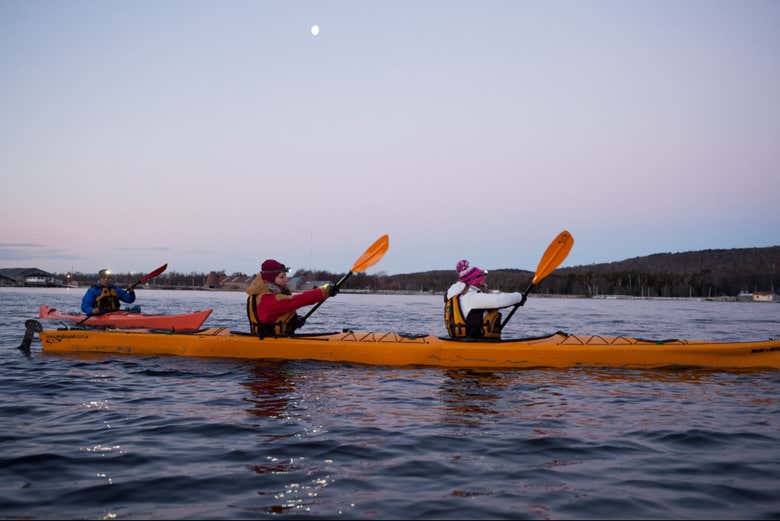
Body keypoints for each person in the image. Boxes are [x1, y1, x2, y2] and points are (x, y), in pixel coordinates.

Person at [246, 259, 338, 337]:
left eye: (285, 276)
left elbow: (271, 318)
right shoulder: (268, 299)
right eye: (281, 277)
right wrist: (325, 291)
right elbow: (298, 300)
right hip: (272, 343)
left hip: (275, 339)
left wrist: (293, 321)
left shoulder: (260, 296)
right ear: (270, 280)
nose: (286, 280)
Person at [444, 259, 525, 340]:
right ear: (475, 281)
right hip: (475, 342)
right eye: (481, 278)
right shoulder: (471, 297)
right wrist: (519, 297)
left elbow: (492, 295)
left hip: (462, 339)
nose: (484, 280)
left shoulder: (459, 295)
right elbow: (499, 300)